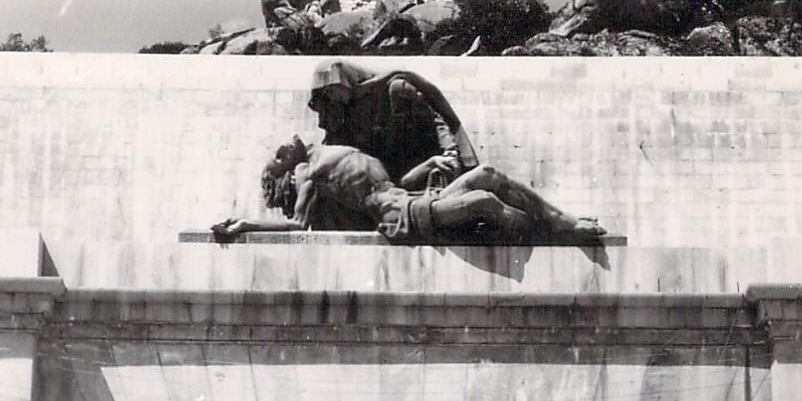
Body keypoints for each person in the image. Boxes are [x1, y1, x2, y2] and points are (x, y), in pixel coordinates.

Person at [214, 135, 606, 249]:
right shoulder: (308, 174)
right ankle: (541, 233)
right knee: (483, 200)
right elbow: (300, 225)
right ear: (284, 172)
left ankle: (559, 220)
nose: (280, 147)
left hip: (412, 201)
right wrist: (246, 224)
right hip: (401, 219)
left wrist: (429, 165)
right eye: (275, 158)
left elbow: (394, 185)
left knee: (487, 174)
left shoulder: (328, 150)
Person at [307, 61, 478, 188]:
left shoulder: (395, 87)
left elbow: (437, 122)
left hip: (415, 158)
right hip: (378, 171)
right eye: (326, 94)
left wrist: (450, 151)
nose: (332, 98)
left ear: (346, 81)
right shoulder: (340, 109)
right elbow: (334, 145)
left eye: (332, 89)